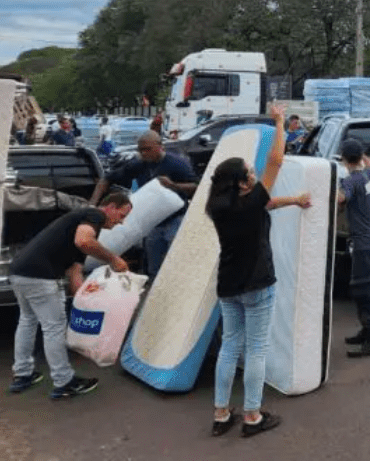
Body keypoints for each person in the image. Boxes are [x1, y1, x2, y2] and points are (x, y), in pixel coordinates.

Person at [206, 104, 311, 438]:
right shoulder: (248, 202)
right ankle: (252, 415)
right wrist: (279, 122)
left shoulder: (218, 205)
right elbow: (276, 160)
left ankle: (221, 414)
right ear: (241, 184)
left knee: (229, 347)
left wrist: (293, 200)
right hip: (257, 284)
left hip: (228, 284)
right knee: (256, 350)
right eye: (250, 173)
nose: (254, 174)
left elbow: (263, 205)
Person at [8, 193, 133, 399]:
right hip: (40, 275)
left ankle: (22, 374)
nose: (121, 222)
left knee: (28, 320)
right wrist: (113, 259)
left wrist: (87, 302)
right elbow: (84, 241)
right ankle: (64, 381)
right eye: (121, 215)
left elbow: (75, 273)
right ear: (110, 207)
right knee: (54, 328)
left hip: (19, 272)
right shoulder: (94, 215)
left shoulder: (80, 225)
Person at [90, 131, 198, 280]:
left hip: (175, 218)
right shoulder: (140, 163)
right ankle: (153, 287)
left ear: (159, 146)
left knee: (173, 258)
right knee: (153, 261)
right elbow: (106, 179)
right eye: (140, 150)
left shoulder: (177, 164)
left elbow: (196, 187)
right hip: (153, 220)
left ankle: (175, 285)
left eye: (147, 149)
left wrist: (174, 185)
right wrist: (92, 204)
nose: (143, 153)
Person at [338, 138, 370, 358]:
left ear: (343, 159)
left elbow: (340, 199)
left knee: (364, 289)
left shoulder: (352, 181)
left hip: (365, 243)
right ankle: (368, 331)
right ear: (361, 157)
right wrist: (360, 155)